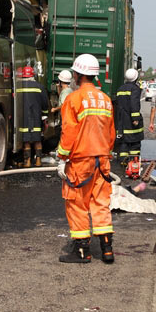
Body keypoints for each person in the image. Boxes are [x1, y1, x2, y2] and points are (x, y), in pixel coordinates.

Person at [56, 54, 117, 264]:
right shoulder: (106, 100)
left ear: (76, 75)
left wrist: (62, 158)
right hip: (103, 160)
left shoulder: (73, 99)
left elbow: (69, 133)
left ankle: (82, 251)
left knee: (77, 203)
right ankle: (107, 249)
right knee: (100, 203)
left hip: (81, 161)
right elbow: (111, 134)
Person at [17, 65, 49, 168]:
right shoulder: (39, 87)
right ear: (32, 75)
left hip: (23, 118)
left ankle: (27, 161)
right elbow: (45, 103)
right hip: (36, 117)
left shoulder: (19, 87)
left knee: (26, 140)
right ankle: (38, 161)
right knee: (37, 139)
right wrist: (45, 115)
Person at [114, 68, 144, 165]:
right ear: (136, 78)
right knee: (134, 142)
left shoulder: (120, 89)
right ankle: (133, 162)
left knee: (123, 142)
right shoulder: (135, 89)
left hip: (122, 121)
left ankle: (123, 161)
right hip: (131, 121)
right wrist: (135, 118)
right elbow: (134, 104)